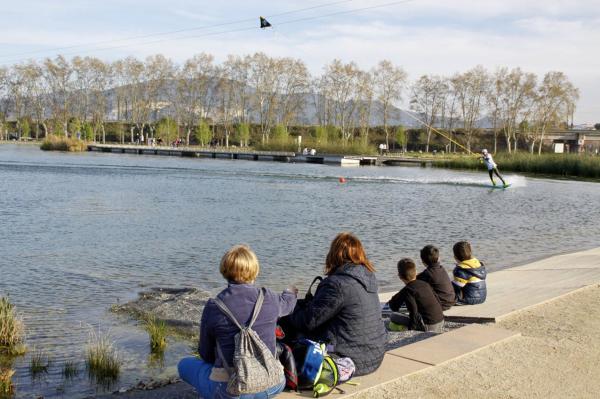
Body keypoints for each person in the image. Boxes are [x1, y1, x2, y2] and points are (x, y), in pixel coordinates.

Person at [178, 245, 297, 398]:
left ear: (225, 271)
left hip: (232, 392)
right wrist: (290, 291)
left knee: (183, 365)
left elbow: (205, 354)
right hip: (273, 384)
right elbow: (288, 304)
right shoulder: (269, 298)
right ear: (255, 270)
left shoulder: (214, 307)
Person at [284, 232, 387, 376]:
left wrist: (287, 305)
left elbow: (308, 321)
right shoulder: (367, 278)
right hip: (374, 356)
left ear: (334, 254)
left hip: (347, 359)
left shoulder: (338, 285)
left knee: (289, 325)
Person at [387, 258, 445, 333]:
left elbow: (396, 307)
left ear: (399, 276)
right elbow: (437, 300)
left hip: (428, 326)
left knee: (393, 316)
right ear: (416, 272)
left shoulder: (407, 290)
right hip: (441, 321)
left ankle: (404, 328)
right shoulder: (425, 284)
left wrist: (411, 329)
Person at [416, 245, 455, 311]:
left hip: (441, 305)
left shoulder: (427, 274)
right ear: (438, 258)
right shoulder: (441, 268)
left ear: (423, 261)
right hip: (450, 300)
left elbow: (414, 282)